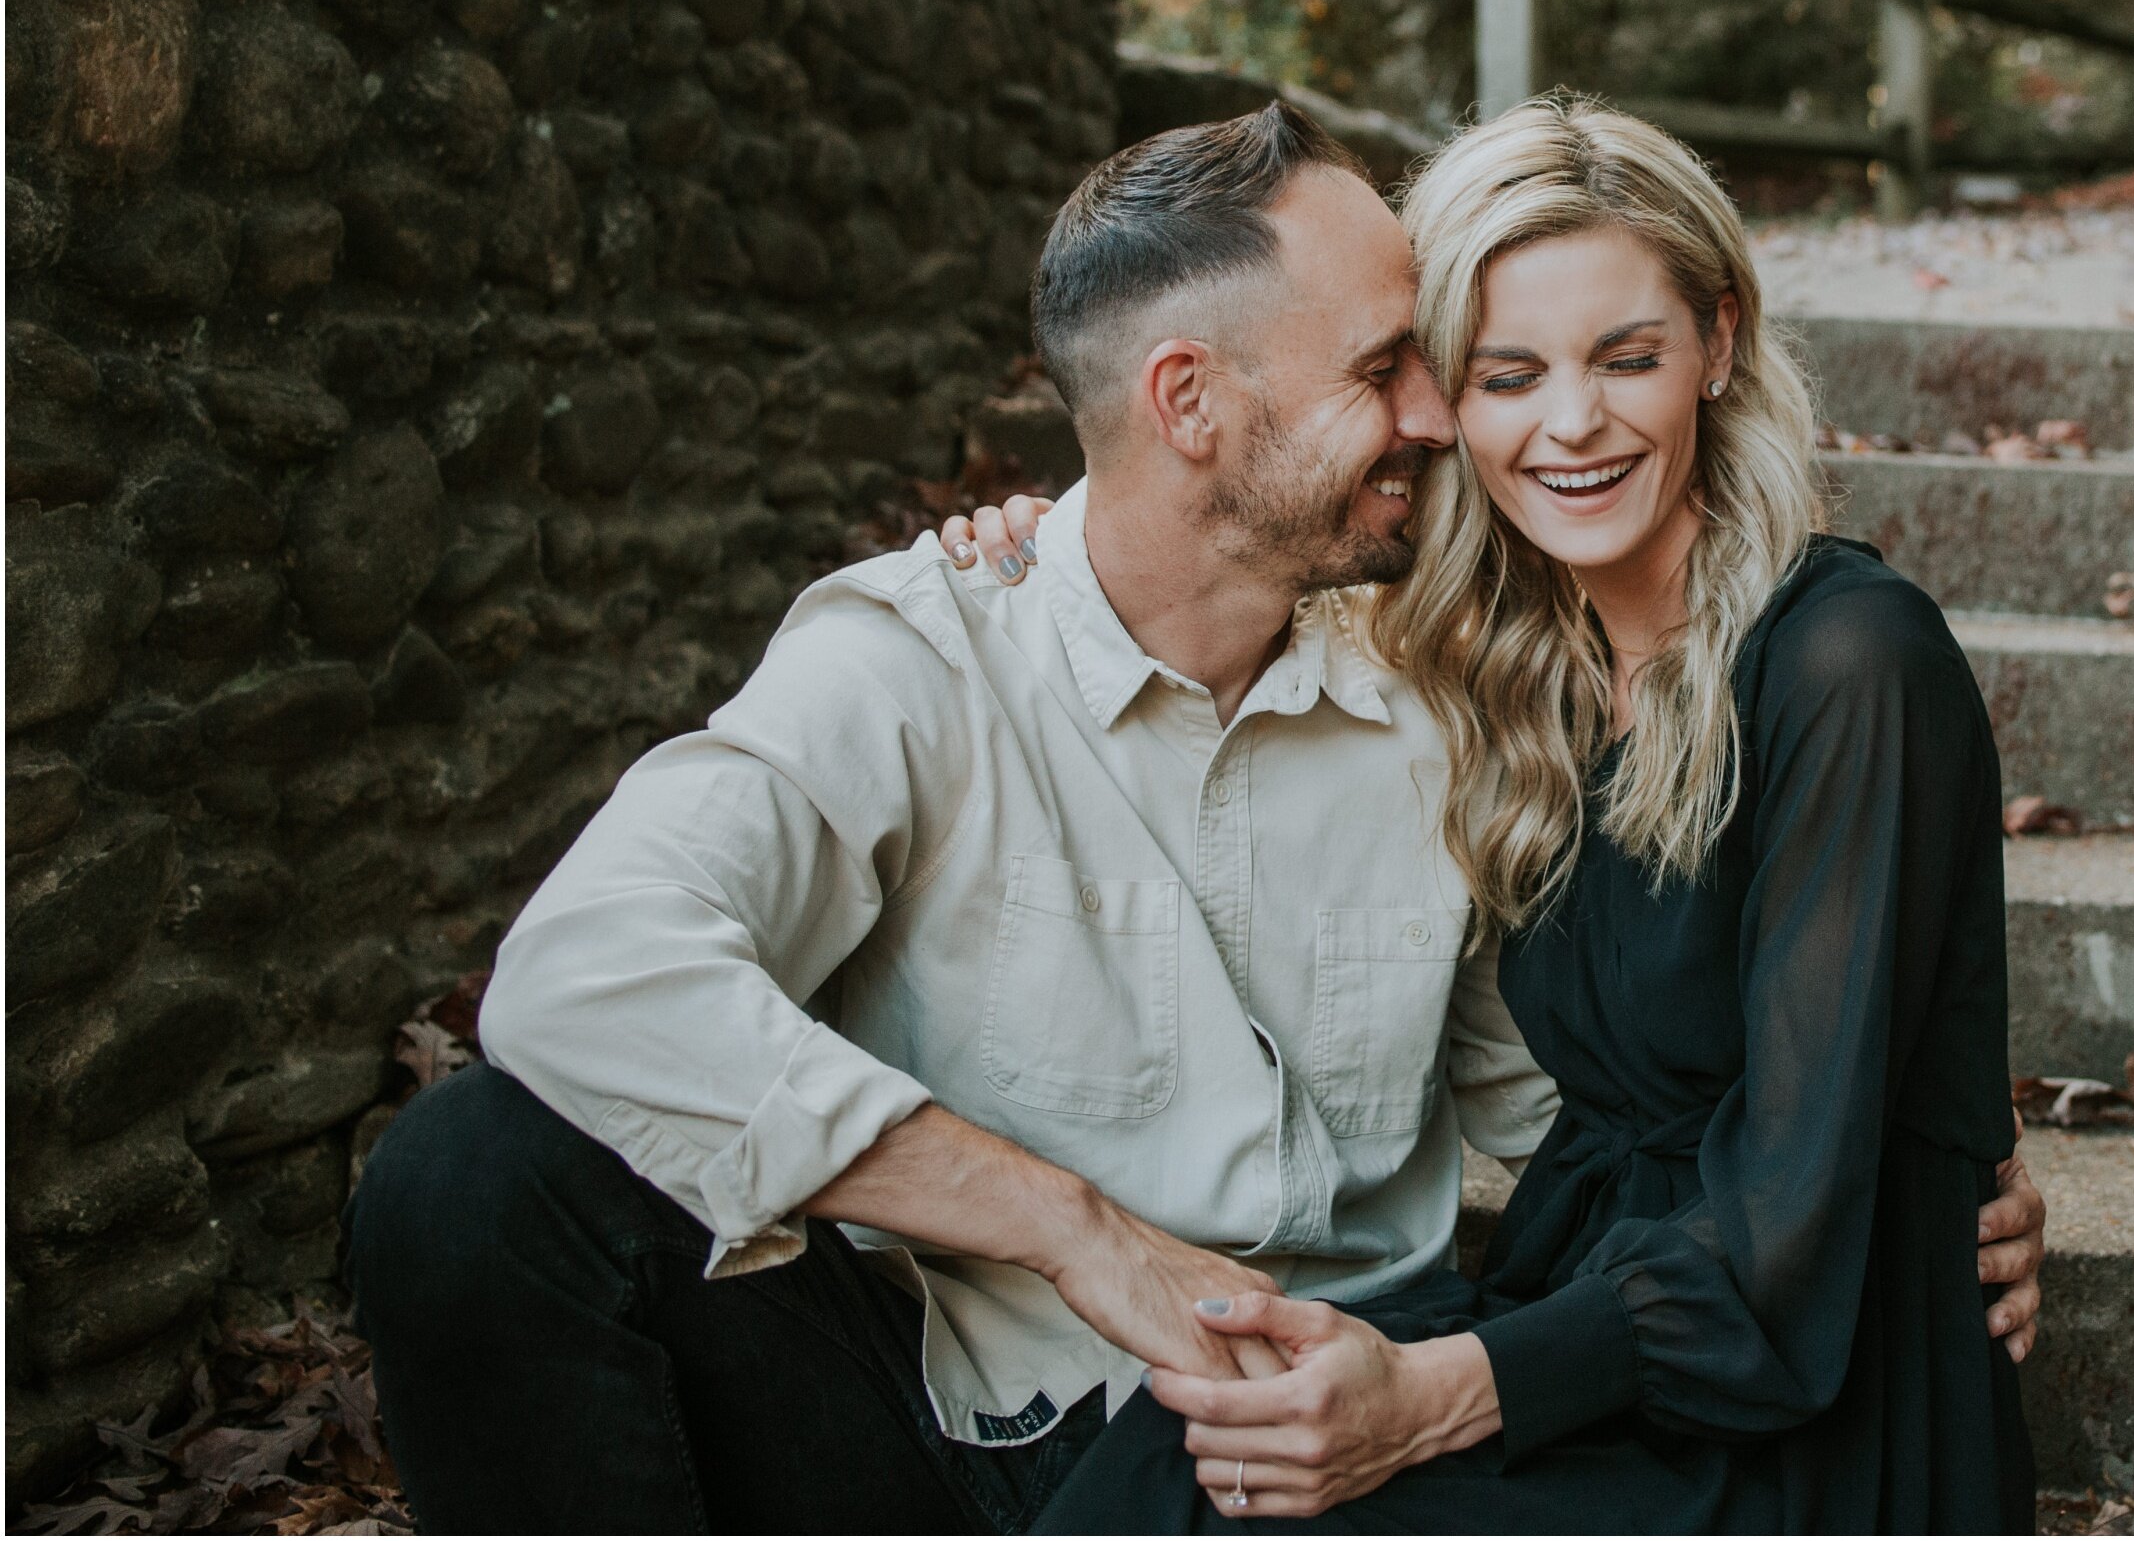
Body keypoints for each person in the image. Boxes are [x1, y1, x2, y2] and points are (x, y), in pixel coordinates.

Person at [343, 102, 2044, 1534]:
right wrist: (1074, 1231)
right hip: (942, 1403)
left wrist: (1889, 1189)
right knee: (470, 1176)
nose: (1450, 417)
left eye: (1454, 365)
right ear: (1189, 404)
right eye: (1407, 367)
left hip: (1303, 1420)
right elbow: (576, 975)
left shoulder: (1452, 688)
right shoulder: (925, 657)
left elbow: (1598, 1087)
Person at [979, 96, 2036, 1533]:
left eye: (1629, 356)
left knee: (1209, 1485)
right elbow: (1203, 507)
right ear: (1442, 400)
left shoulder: (1853, 661)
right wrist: (1042, 537)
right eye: (1508, 372)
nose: (1572, 422)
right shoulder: (1511, 659)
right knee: (1187, 1458)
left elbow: (1800, 1220)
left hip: (1805, 1405)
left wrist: (1438, 1392)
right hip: (1596, 1330)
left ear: (1718, 346)